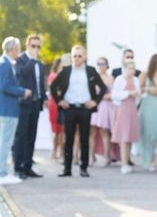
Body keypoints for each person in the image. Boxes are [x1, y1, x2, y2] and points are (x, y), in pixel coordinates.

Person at [50, 45, 107, 178]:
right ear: (71, 57)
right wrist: (59, 100)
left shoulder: (91, 71)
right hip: (69, 108)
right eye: (74, 56)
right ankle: (67, 168)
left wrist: (95, 101)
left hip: (84, 109)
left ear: (85, 56)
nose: (76, 58)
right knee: (68, 140)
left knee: (84, 139)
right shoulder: (66, 71)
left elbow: (103, 88)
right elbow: (53, 86)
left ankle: (84, 168)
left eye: (79, 56)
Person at [0, 37, 32, 185]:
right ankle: (2, 174)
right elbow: (5, 86)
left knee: (5, 141)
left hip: (7, 108)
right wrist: (23, 91)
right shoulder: (4, 64)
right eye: (18, 48)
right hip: (6, 109)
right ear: (13, 49)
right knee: (5, 142)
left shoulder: (5, 63)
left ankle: (3, 172)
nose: (19, 51)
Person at [12, 34, 47, 179]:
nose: (36, 49)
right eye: (33, 46)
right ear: (27, 46)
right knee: (21, 136)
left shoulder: (39, 63)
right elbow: (21, 74)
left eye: (38, 46)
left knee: (31, 136)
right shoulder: (20, 60)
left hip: (36, 103)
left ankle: (28, 166)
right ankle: (18, 167)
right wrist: (32, 60)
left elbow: (40, 83)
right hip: (24, 103)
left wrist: (43, 98)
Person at [111, 61, 141, 174]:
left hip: (132, 109)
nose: (131, 71)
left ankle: (127, 160)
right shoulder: (119, 79)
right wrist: (128, 93)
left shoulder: (136, 80)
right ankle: (123, 164)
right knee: (123, 137)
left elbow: (138, 94)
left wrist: (136, 95)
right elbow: (115, 95)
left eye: (133, 68)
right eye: (129, 68)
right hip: (123, 109)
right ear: (124, 69)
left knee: (129, 137)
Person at [90, 57, 114, 166]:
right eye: (99, 64)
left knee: (104, 132)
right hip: (95, 106)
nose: (101, 66)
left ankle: (106, 156)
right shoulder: (94, 77)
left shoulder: (110, 78)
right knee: (92, 132)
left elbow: (113, 94)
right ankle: (91, 156)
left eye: (103, 63)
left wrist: (102, 97)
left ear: (107, 65)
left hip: (105, 107)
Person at [47, 57, 65, 161]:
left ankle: (60, 152)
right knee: (56, 130)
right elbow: (55, 91)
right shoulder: (53, 76)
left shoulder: (63, 76)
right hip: (54, 104)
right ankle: (55, 151)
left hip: (62, 105)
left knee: (62, 130)